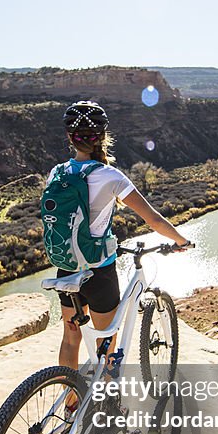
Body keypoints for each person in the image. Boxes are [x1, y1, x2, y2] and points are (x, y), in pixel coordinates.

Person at [47, 101, 191, 378]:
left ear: (70, 137)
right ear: (102, 136)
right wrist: (181, 241)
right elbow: (155, 220)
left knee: (70, 338)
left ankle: (70, 403)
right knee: (106, 340)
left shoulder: (57, 173)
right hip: (99, 272)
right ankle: (111, 400)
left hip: (66, 266)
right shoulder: (111, 176)